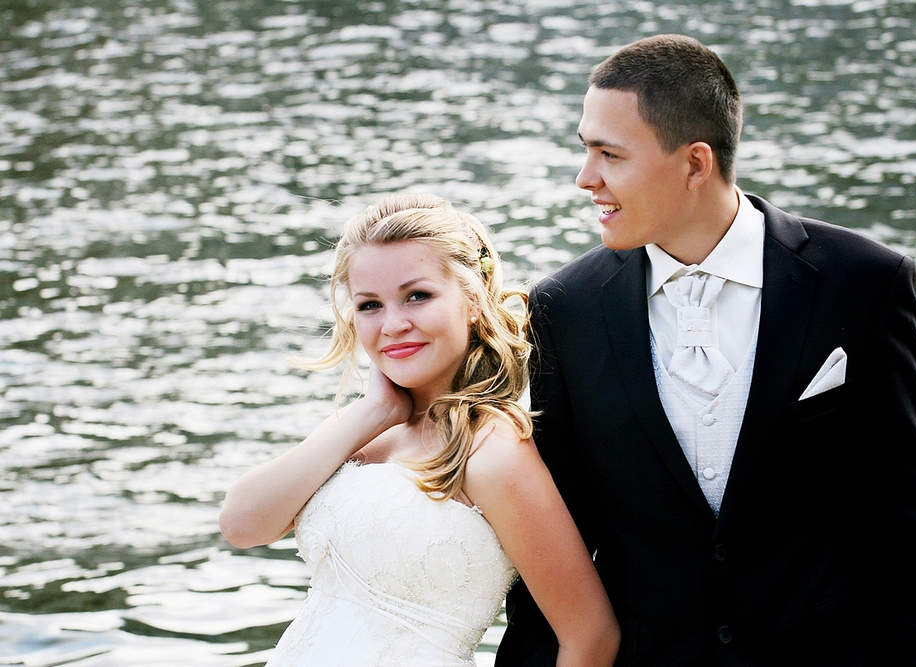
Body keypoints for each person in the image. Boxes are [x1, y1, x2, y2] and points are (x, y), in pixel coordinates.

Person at [496, 34, 916, 667]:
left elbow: (914, 522)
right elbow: (558, 541)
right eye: (586, 150)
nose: (586, 179)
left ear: (695, 164)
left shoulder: (862, 284)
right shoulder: (564, 308)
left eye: (610, 155)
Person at [219, 193, 620, 667]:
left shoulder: (492, 448)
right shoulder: (362, 429)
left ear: (472, 300)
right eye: (370, 304)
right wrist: (374, 411)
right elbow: (242, 525)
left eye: (417, 296)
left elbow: (590, 637)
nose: (393, 324)